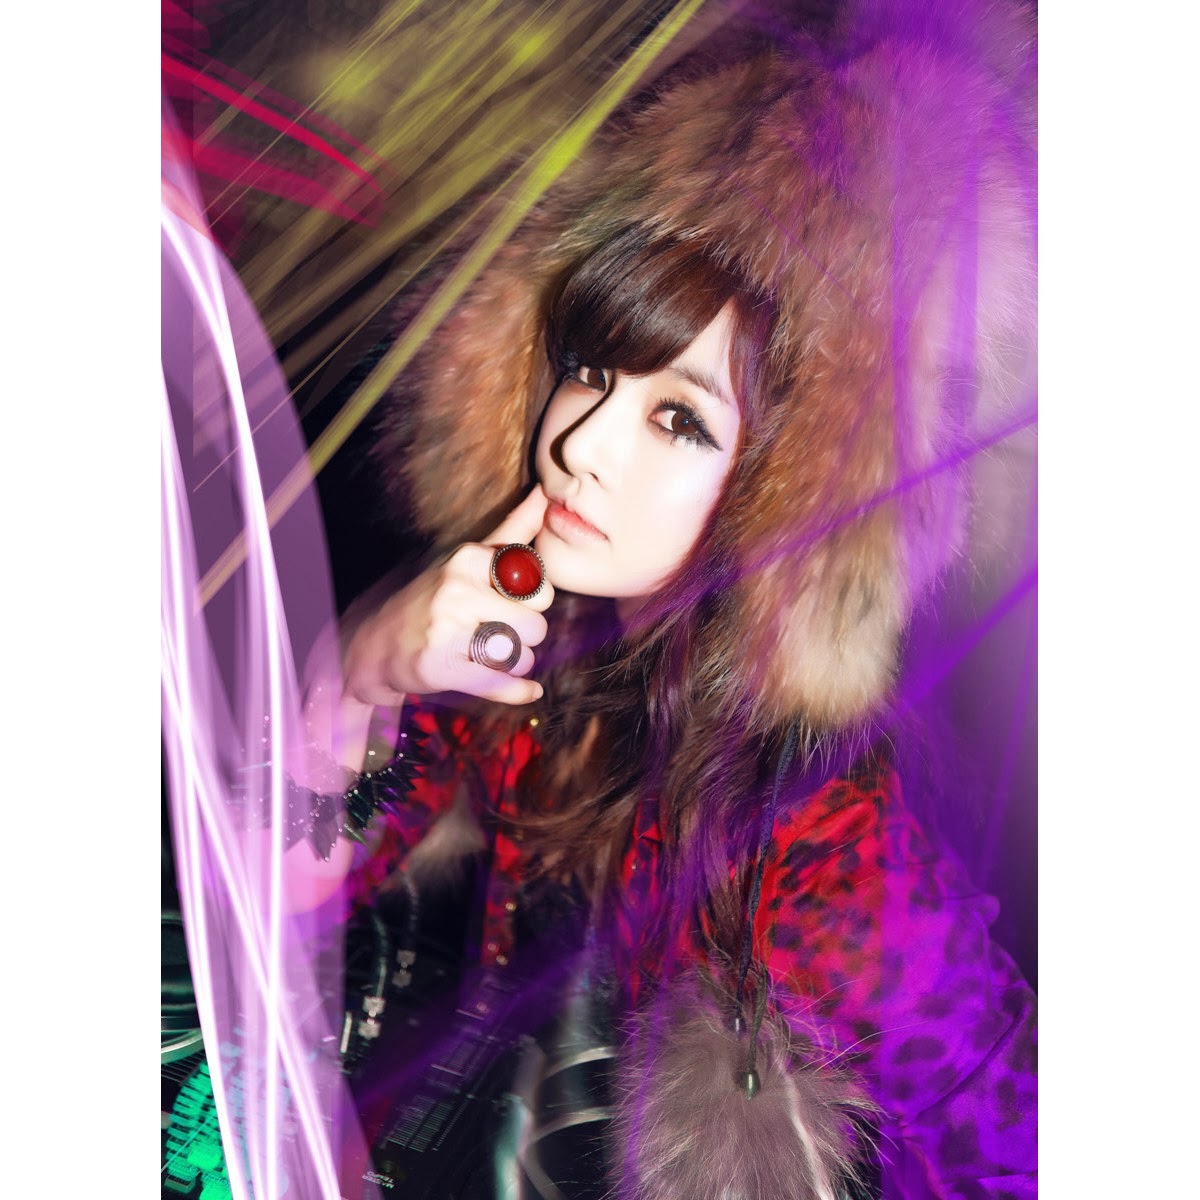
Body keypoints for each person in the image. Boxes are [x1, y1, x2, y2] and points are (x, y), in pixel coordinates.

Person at [292, 23, 1036, 1200]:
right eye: (591, 366)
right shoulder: (532, 643)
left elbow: (1018, 1149)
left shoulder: (831, 853)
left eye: (679, 419)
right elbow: (286, 883)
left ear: (789, 491)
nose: (582, 442)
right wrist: (366, 668)